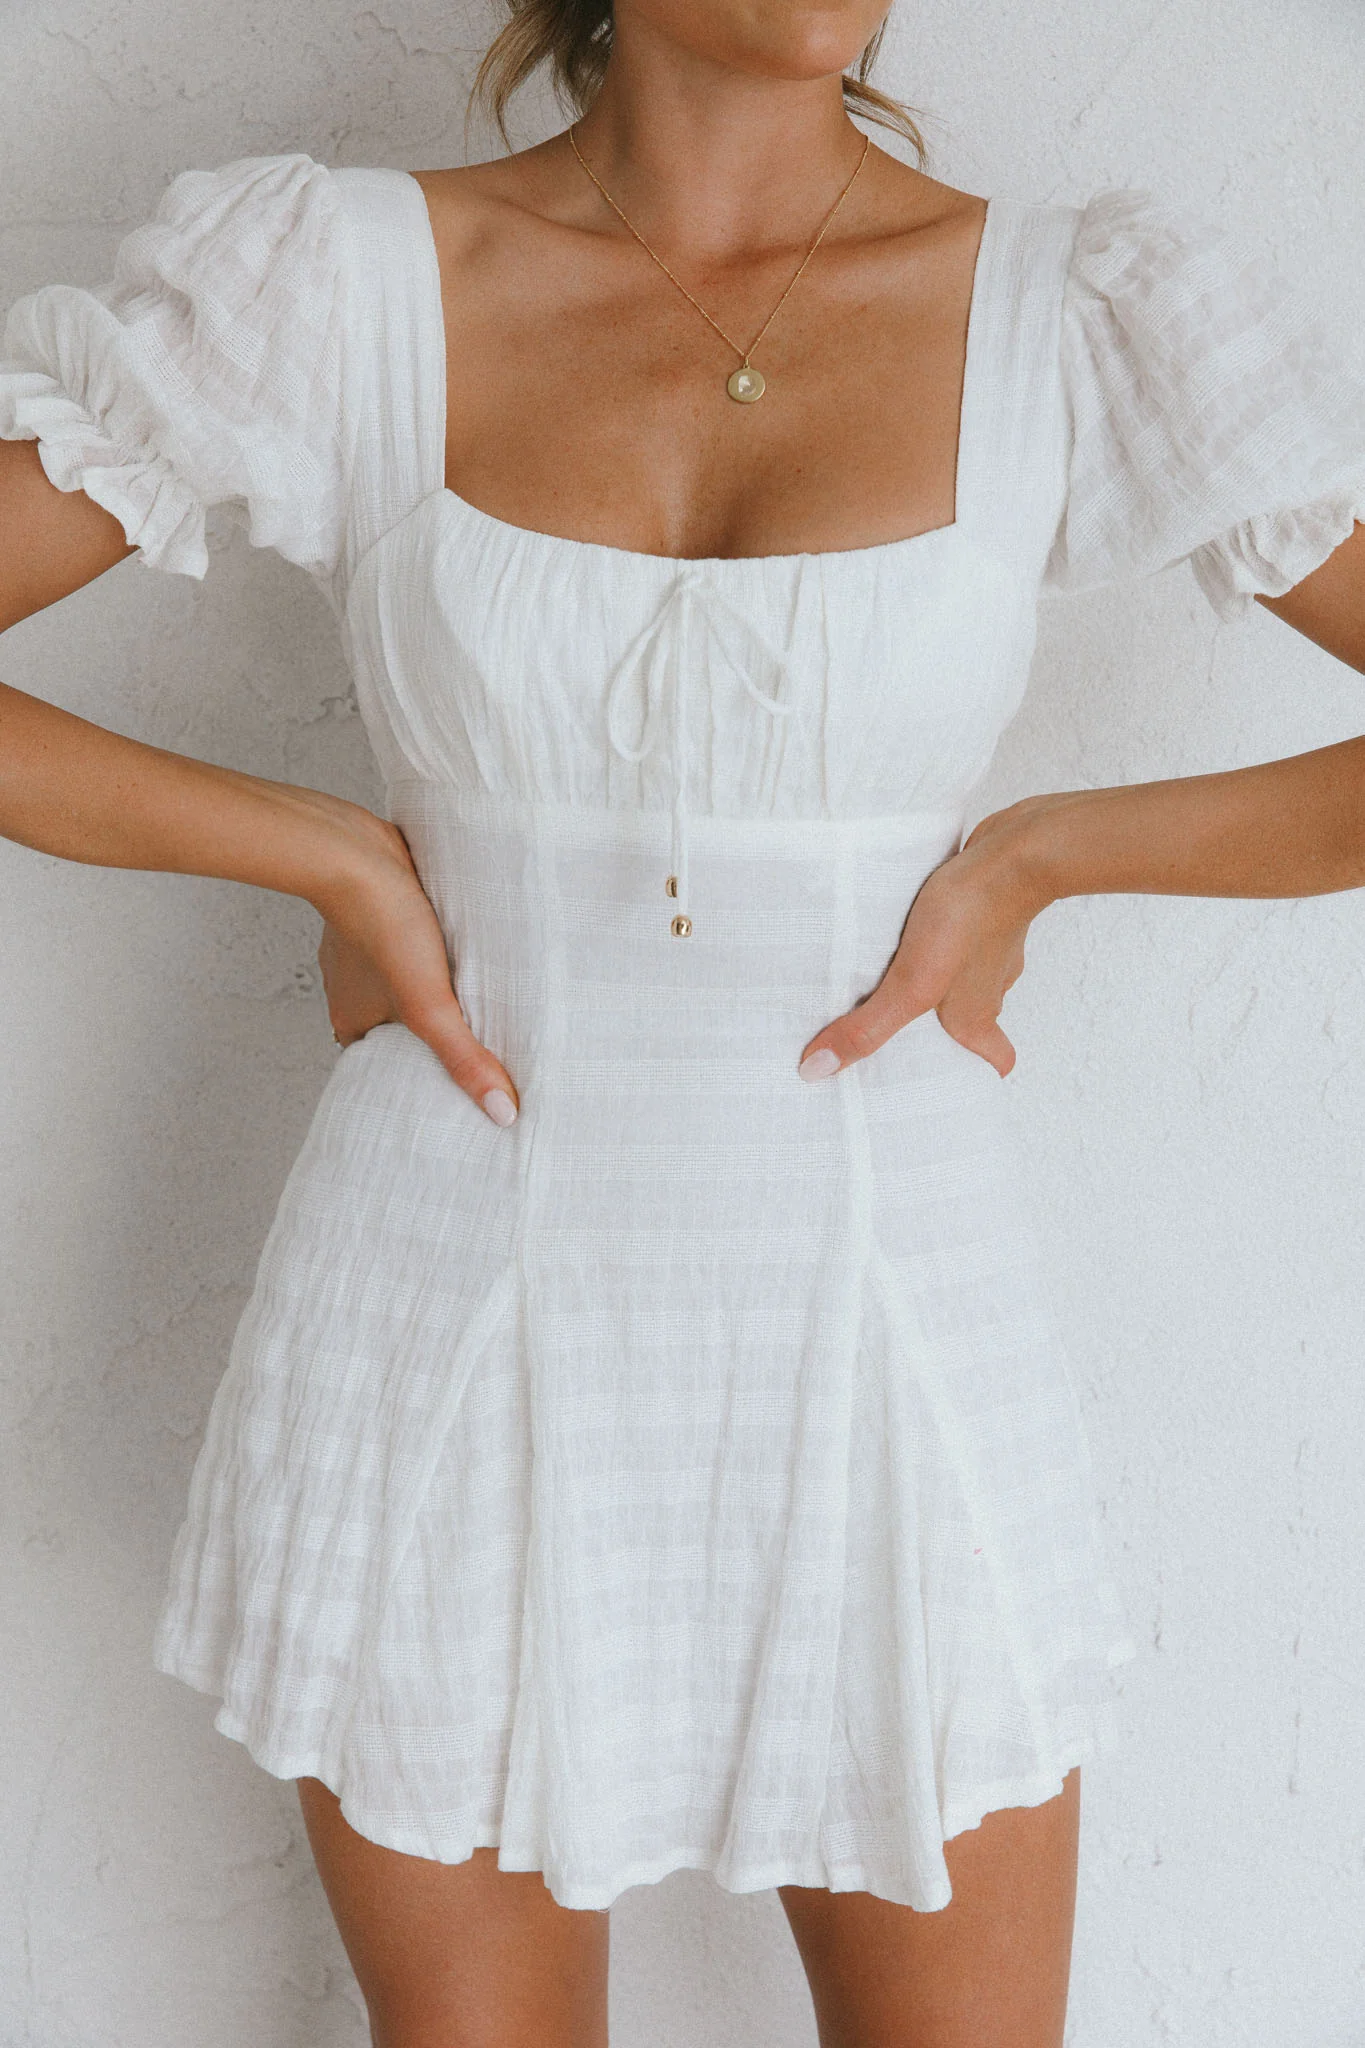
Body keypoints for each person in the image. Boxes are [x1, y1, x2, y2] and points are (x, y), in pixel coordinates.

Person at [2, 1, 1363, 2042]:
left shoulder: (1067, 312)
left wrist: (1047, 856)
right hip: (441, 1294)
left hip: (895, 1315)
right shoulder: (340, 282)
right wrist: (320, 853)